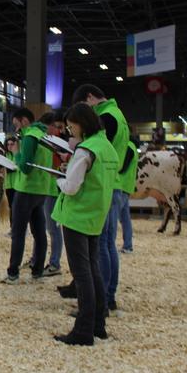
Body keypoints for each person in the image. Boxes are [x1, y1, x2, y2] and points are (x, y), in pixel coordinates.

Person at [51, 103, 118, 346]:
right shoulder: (107, 147)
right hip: (96, 214)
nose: (70, 131)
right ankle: (98, 325)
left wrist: (60, 179)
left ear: (82, 123)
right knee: (93, 270)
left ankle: (83, 330)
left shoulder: (85, 149)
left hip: (77, 215)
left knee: (82, 274)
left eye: (71, 126)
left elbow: (71, 187)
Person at [69, 84, 131, 312]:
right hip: (115, 183)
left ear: (89, 98)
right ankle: (107, 296)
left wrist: (77, 146)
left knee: (100, 247)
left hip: (103, 185)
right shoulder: (119, 115)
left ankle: (100, 300)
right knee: (107, 244)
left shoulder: (105, 117)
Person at [4, 108, 52, 284]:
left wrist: (16, 153)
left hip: (26, 189)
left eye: (16, 123)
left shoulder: (30, 137)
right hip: (41, 190)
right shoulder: (43, 134)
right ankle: (37, 270)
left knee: (18, 233)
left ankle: (13, 273)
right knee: (39, 232)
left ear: (24, 120)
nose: (16, 128)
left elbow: (25, 167)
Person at [38, 111, 64, 277]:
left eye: (59, 127)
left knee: (53, 229)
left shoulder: (60, 143)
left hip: (54, 189)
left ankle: (55, 263)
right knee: (44, 228)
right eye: (57, 126)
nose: (59, 130)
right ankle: (37, 259)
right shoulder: (45, 141)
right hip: (44, 187)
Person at [119, 136, 139, 254]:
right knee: (125, 219)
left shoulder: (128, 147)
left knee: (114, 217)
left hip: (121, 185)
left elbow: (122, 168)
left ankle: (127, 245)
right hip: (127, 186)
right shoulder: (133, 148)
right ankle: (128, 245)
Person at [3, 137, 18, 234]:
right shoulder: (5, 155)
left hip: (17, 185)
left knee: (17, 207)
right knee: (11, 208)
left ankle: (19, 228)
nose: (9, 146)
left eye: (12, 144)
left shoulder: (18, 154)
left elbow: (17, 167)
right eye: (8, 144)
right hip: (8, 185)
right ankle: (12, 228)